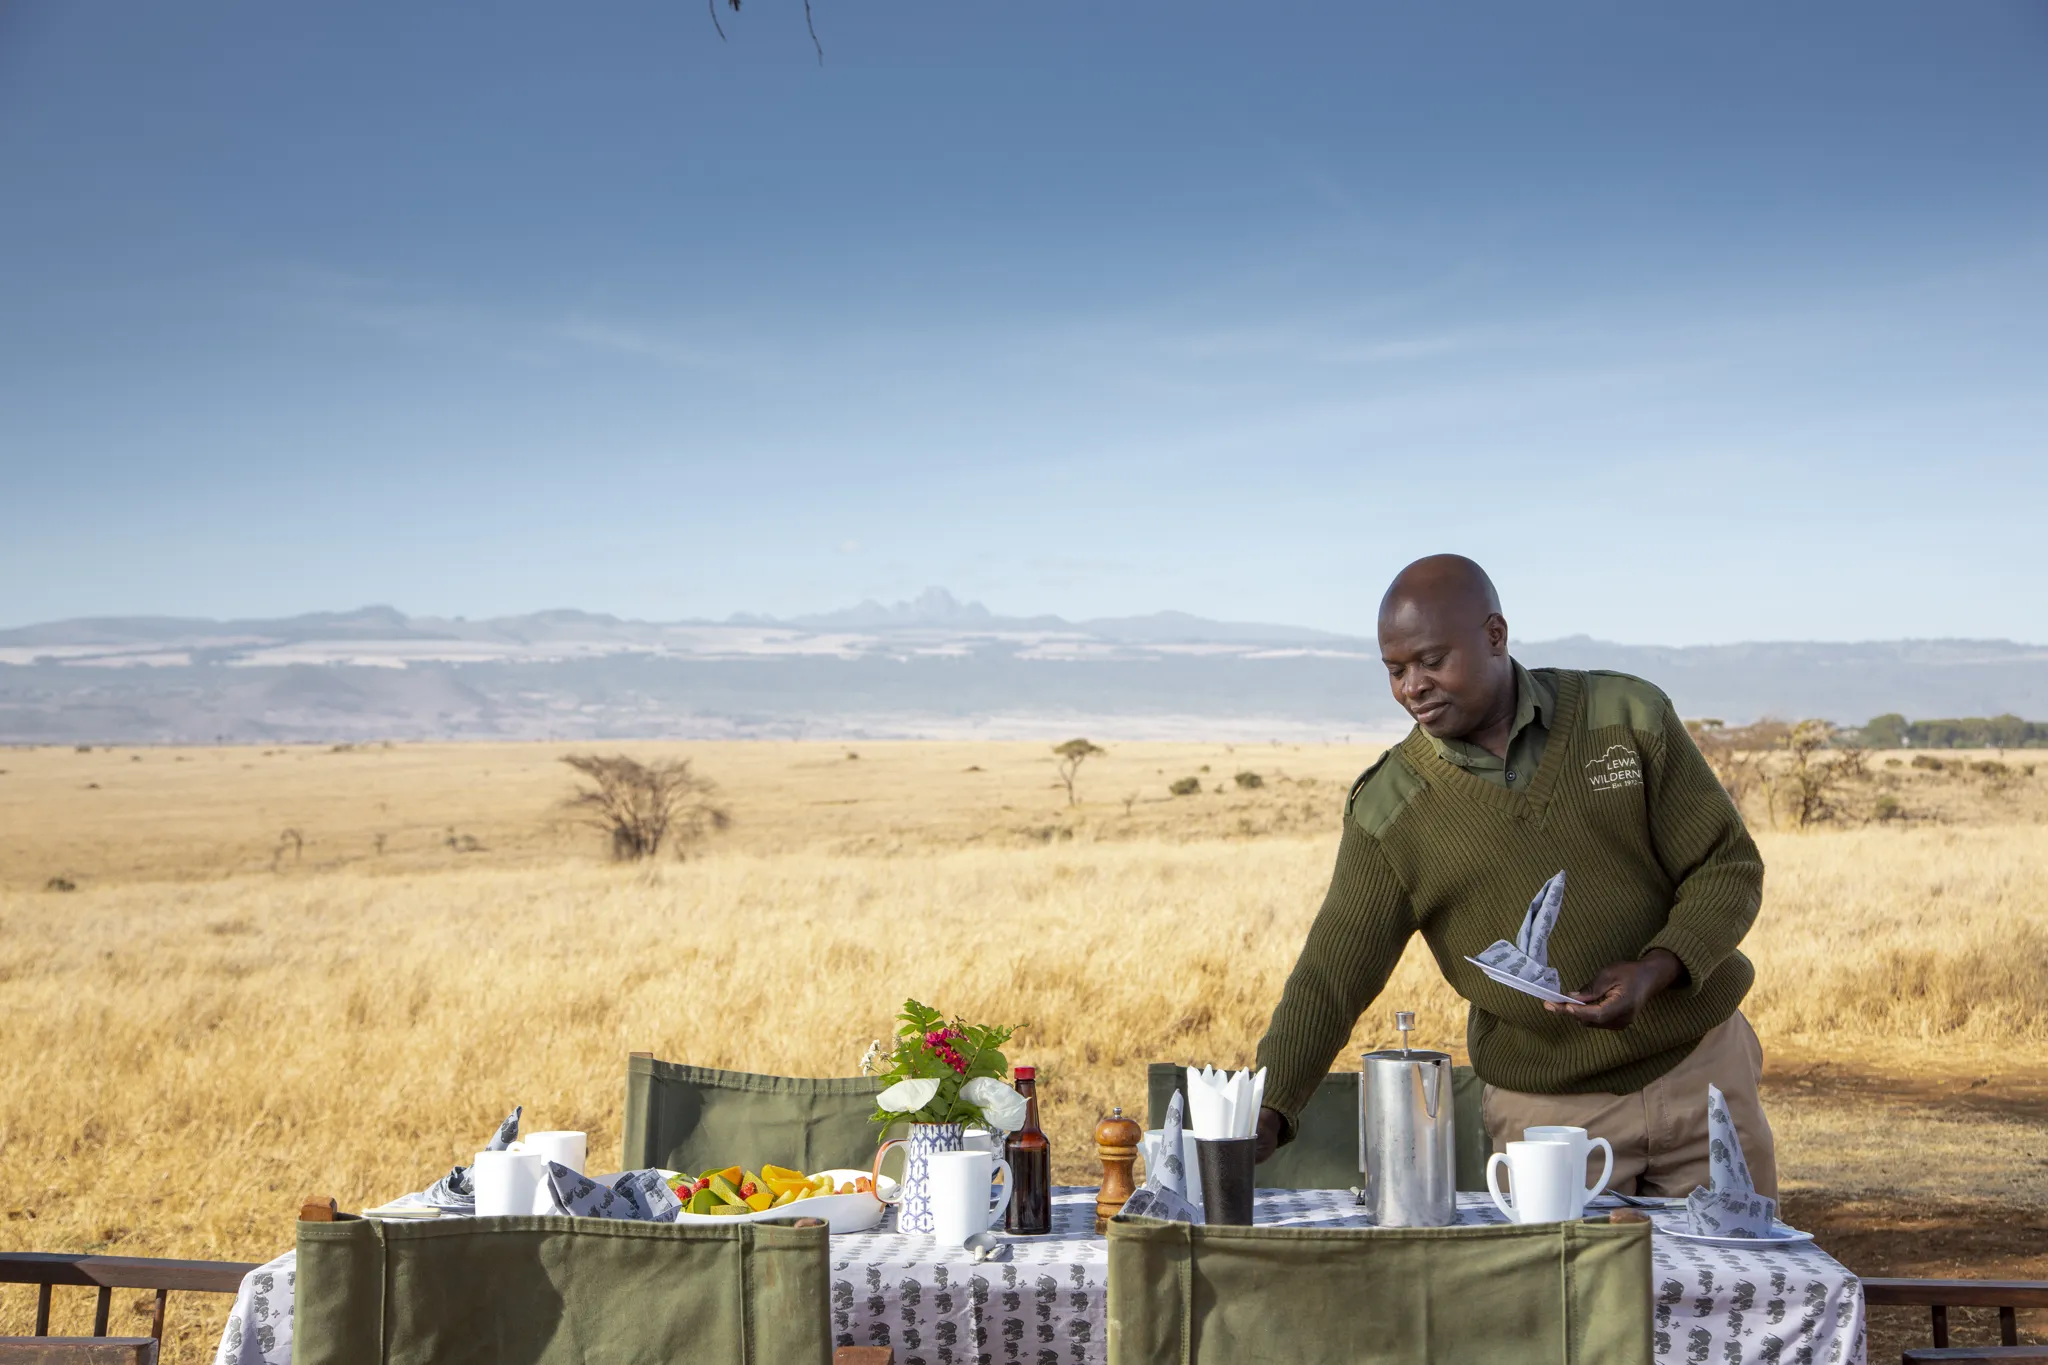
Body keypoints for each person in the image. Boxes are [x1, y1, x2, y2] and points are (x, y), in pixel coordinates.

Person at [1251, 554, 1776, 1197]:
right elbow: (1333, 972)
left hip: (1705, 1071)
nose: (1413, 687)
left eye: (1432, 661)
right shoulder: (1391, 809)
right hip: (1549, 1116)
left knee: (1733, 1262)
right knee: (1570, 1270)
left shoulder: (1625, 715)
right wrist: (1271, 1106)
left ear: (1495, 635)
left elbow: (1727, 866)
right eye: (1395, 670)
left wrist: (1657, 967)